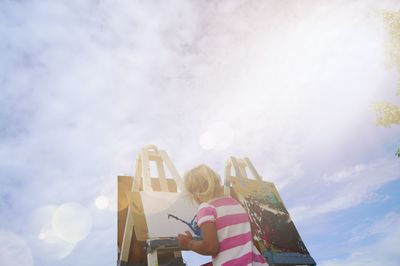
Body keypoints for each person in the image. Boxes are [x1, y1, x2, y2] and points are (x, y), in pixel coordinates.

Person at [177, 164, 268, 266]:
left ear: (195, 194)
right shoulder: (236, 204)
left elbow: (210, 248)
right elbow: (250, 241)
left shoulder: (206, 208)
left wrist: (189, 244)